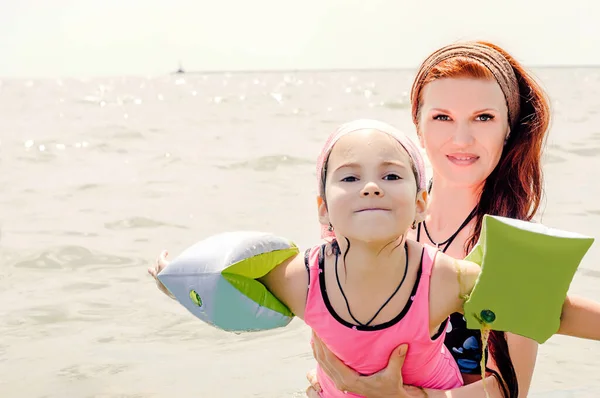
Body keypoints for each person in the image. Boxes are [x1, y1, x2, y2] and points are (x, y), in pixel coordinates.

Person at [150, 118, 598, 398]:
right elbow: (219, 281)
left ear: (421, 202)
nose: (371, 186)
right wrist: (173, 280)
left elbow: (546, 311)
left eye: (390, 174)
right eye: (349, 176)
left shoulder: (441, 278)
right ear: (323, 208)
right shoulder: (300, 279)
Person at [303, 41, 600, 398]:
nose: (462, 139)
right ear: (418, 124)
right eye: (442, 117)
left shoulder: (518, 248)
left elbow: (510, 390)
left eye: (484, 117)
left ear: (508, 127)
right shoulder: (377, 213)